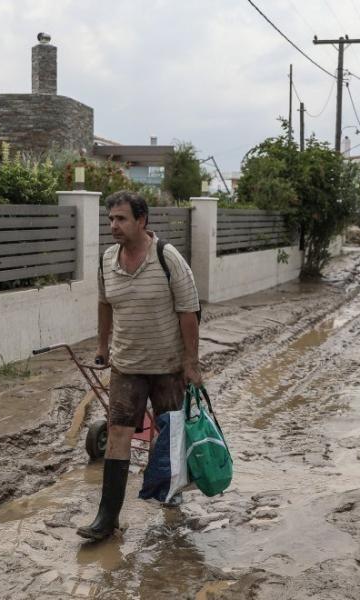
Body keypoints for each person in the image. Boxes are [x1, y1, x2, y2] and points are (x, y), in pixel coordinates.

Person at [77, 190, 201, 541]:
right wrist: (103, 345)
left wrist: (190, 363)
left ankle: (171, 497)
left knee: (168, 434)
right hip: (127, 364)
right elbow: (104, 304)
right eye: (111, 219)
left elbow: (188, 312)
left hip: (167, 365)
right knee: (119, 432)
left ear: (142, 221)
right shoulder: (107, 260)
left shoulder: (167, 257)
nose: (113, 225)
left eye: (121, 219)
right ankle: (107, 517)